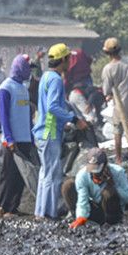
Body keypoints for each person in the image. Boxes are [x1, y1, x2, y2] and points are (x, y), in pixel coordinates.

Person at [33, 43, 88, 220]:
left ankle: (40, 212)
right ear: (63, 60)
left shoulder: (46, 76)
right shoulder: (56, 79)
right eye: (68, 58)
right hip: (49, 131)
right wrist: (74, 119)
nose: (69, 62)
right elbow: (53, 107)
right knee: (53, 174)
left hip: (44, 129)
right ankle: (49, 213)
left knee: (45, 173)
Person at [0, 54, 37, 218]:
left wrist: (31, 136)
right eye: (28, 68)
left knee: (21, 175)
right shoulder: (5, 88)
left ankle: (13, 207)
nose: (30, 72)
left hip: (25, 138)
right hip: (12, 140)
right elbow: (3, 117)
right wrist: (9, 138)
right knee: (8, 174)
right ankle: (3, 207)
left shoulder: (23, 88)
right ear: (20, 67)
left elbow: (27, 115)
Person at [63, 148, 128, 228]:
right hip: (95, 209)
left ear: (105, 165)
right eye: (92, 170)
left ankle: (111, 224)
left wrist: (113, 185)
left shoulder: (118, 172)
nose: (95, 174)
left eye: (98, 171)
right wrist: (81, 217)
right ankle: (77, 219)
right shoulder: (82, 176)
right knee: (67, 185)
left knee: (108, 192)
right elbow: (82, 199)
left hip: (113, 211)